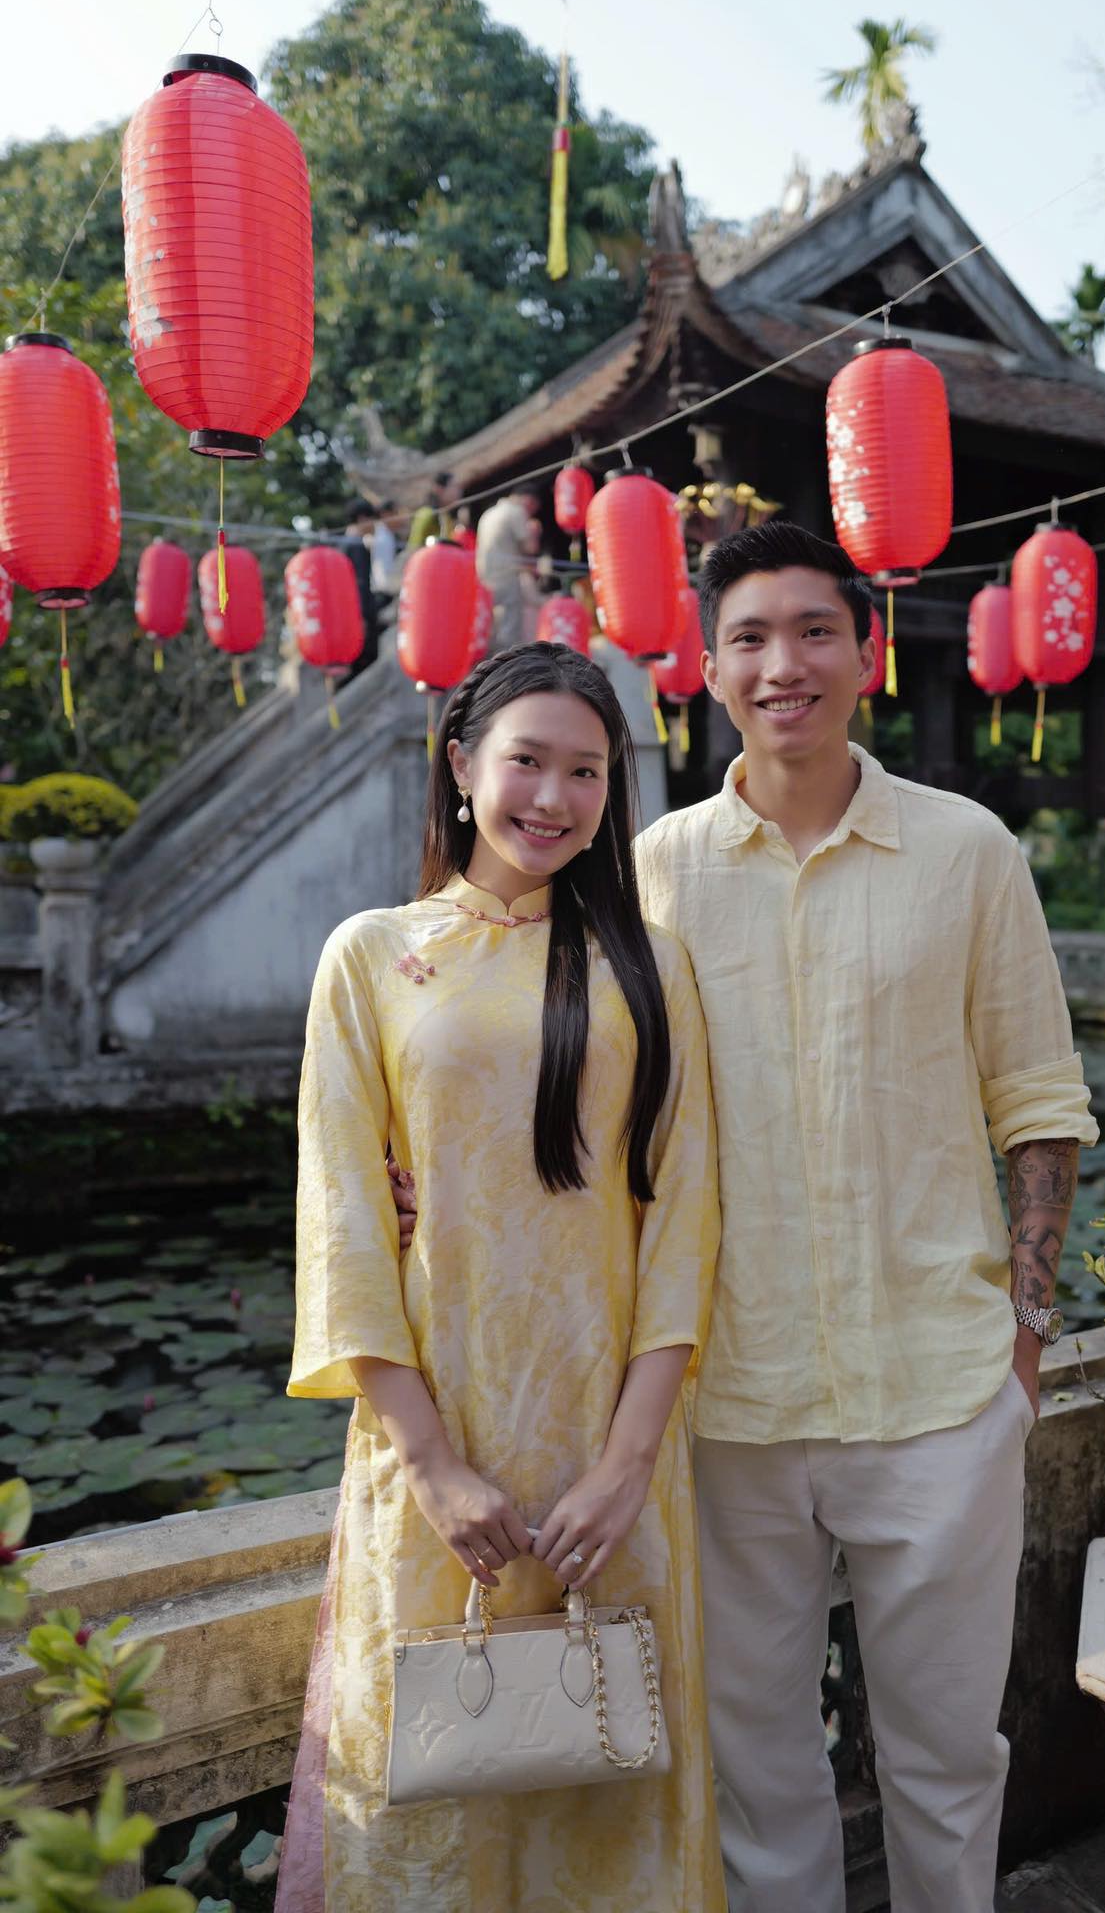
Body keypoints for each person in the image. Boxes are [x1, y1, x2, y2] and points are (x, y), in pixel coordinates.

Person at [393, 522, 1098, 1913]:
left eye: (815, 631)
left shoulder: (966, 853)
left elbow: (1038, 1099)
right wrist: (414, 1148)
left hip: (937, 1390)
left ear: (865, 652)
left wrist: (1021, 1338)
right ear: (708, 672)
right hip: (719, 1404)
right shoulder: (652, 868)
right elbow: (536, 1040)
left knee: (948, 1759)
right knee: (758, 1765)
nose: (786, 665)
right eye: (751, 639)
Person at [279, 644, 724, 1912]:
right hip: (437, 1452)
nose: (554, 796)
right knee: (429, 1808)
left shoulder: (651, 964)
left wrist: (626, 1464)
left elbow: (683, 1221)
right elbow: (342, 1218)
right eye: (527, 759)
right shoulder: (370, 955)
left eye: (587, 771)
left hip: (609, 1460)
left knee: (614, 1796)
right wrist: (429, 1462)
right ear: (462, 766)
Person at [476, 491, 541, 652]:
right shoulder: (516, 511)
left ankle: (487, 658)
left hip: (484, 573)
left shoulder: (489, 513)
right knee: (510, 625)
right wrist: (534, 532)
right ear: (529, 500)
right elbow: (529, 547)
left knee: (490, 623)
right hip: (507, 573)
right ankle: (507, 660)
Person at [340, 500, 381, 671]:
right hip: (360, 614)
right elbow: (360, 582)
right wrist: (362, 616)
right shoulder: (356, 545)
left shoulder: (344, 543)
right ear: (363, 518)